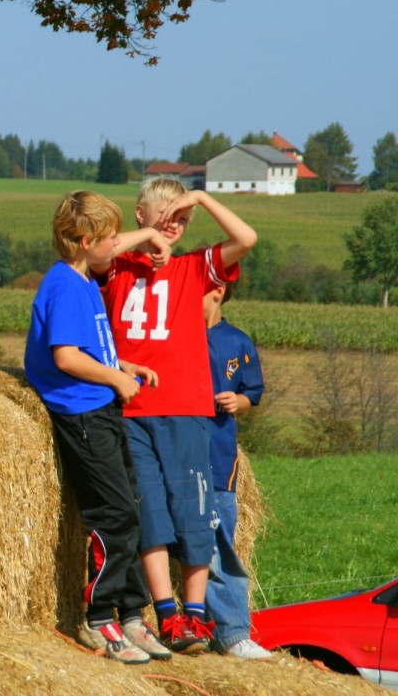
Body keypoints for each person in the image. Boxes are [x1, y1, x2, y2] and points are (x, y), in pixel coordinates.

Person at [92, 178, 257, 654]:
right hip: (131, 407)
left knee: (193, 509)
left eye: (181, 220)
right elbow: (97, 252)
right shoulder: (119, 263)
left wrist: (201, 198)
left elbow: (246, 239)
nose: (174, 228)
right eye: (164, 218)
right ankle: (165, 614)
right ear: (140, 214)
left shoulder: (194, 266)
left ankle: (196, 615)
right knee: (150, 513)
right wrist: (149, 238)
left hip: (185, 407)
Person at [23, 191, 173, 665]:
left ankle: (131, 614)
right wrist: (116, 379)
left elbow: (87, 348)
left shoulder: (83, 275)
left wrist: (121, 364)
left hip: (99, 402)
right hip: (82, 412)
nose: (118, 245)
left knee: (131, 507)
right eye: (111, 238)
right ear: (86, 241)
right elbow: (65, 358)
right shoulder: (65, 285)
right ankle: (100, 618)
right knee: (112, 514)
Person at [203, 281, 272, 660]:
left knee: (219, 543)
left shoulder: (238, 342)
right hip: (171, 450)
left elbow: (253, 393)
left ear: (216, 291)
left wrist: (238, 400)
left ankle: (232, 633)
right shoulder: (173, 336)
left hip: (218, 457)